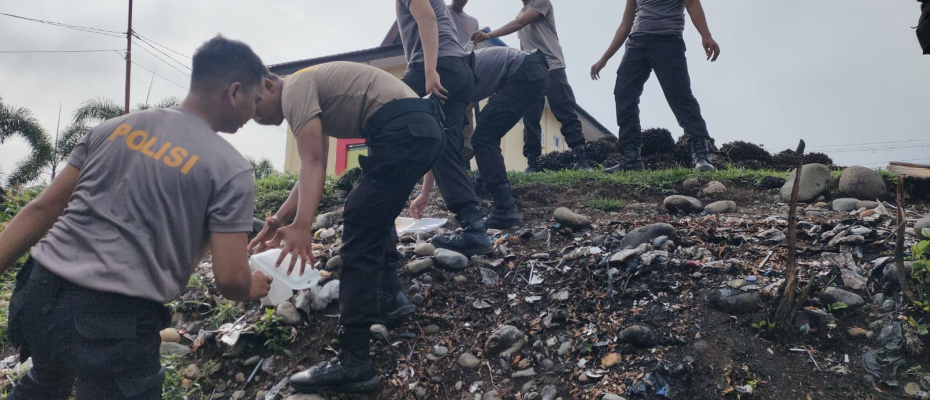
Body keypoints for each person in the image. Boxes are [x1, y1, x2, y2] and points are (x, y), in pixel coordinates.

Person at [0, 35, 272, 400]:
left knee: (48, 380)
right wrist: (251, 285)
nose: (253, 114)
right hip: (114, 320)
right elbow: (229, 279)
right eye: (255, 101)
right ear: (234, 91)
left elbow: (43, 208)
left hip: (39, 293)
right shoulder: (231, 168)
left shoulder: (114, 128)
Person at [250, 62, 446, 394]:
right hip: (420, 128)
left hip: (402, 128)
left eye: (255, 104)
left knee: (359, 223)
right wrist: (279, 221)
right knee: (371, 212)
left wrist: (302, 226)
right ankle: (391, 297)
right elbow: (311, 170)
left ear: (269, 85)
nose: (254, 116)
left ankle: (355, 361)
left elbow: (313, 162)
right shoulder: (309, 91)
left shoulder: (294, 88)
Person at [397, 0, 493, 256]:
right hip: (460, 71)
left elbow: (427, 20)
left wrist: (430, 71)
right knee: (444, 147)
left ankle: (373, 221)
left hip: (436, 67)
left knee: (381, 117)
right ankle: (474, 229)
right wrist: (426, 193)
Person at [591, 0, 720, 172]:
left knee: (680, 96)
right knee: (624, 93)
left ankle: (700, 154)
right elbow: (625, 25)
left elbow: (691, 3)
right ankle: (631, 159)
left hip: (668, 40)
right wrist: (604, 58)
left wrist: (706, 35)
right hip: (637, 43)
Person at [472, 0, 592, 172]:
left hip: (552, 65)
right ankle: (533, 162)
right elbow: (523, 48)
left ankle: (581, 159)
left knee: (564, 109)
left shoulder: (541, 3)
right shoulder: (519, 14)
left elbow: (520, 23)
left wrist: (489, 35)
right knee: (530, 116)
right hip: (532, 70)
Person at [469, 47, 550, 228]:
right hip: (535, 73)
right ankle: (482, 180)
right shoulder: (464, 68)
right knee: (487, 126)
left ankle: (505, 209)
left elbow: (460, 110)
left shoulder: (459, 73)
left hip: (525, 74)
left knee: (483, 138)